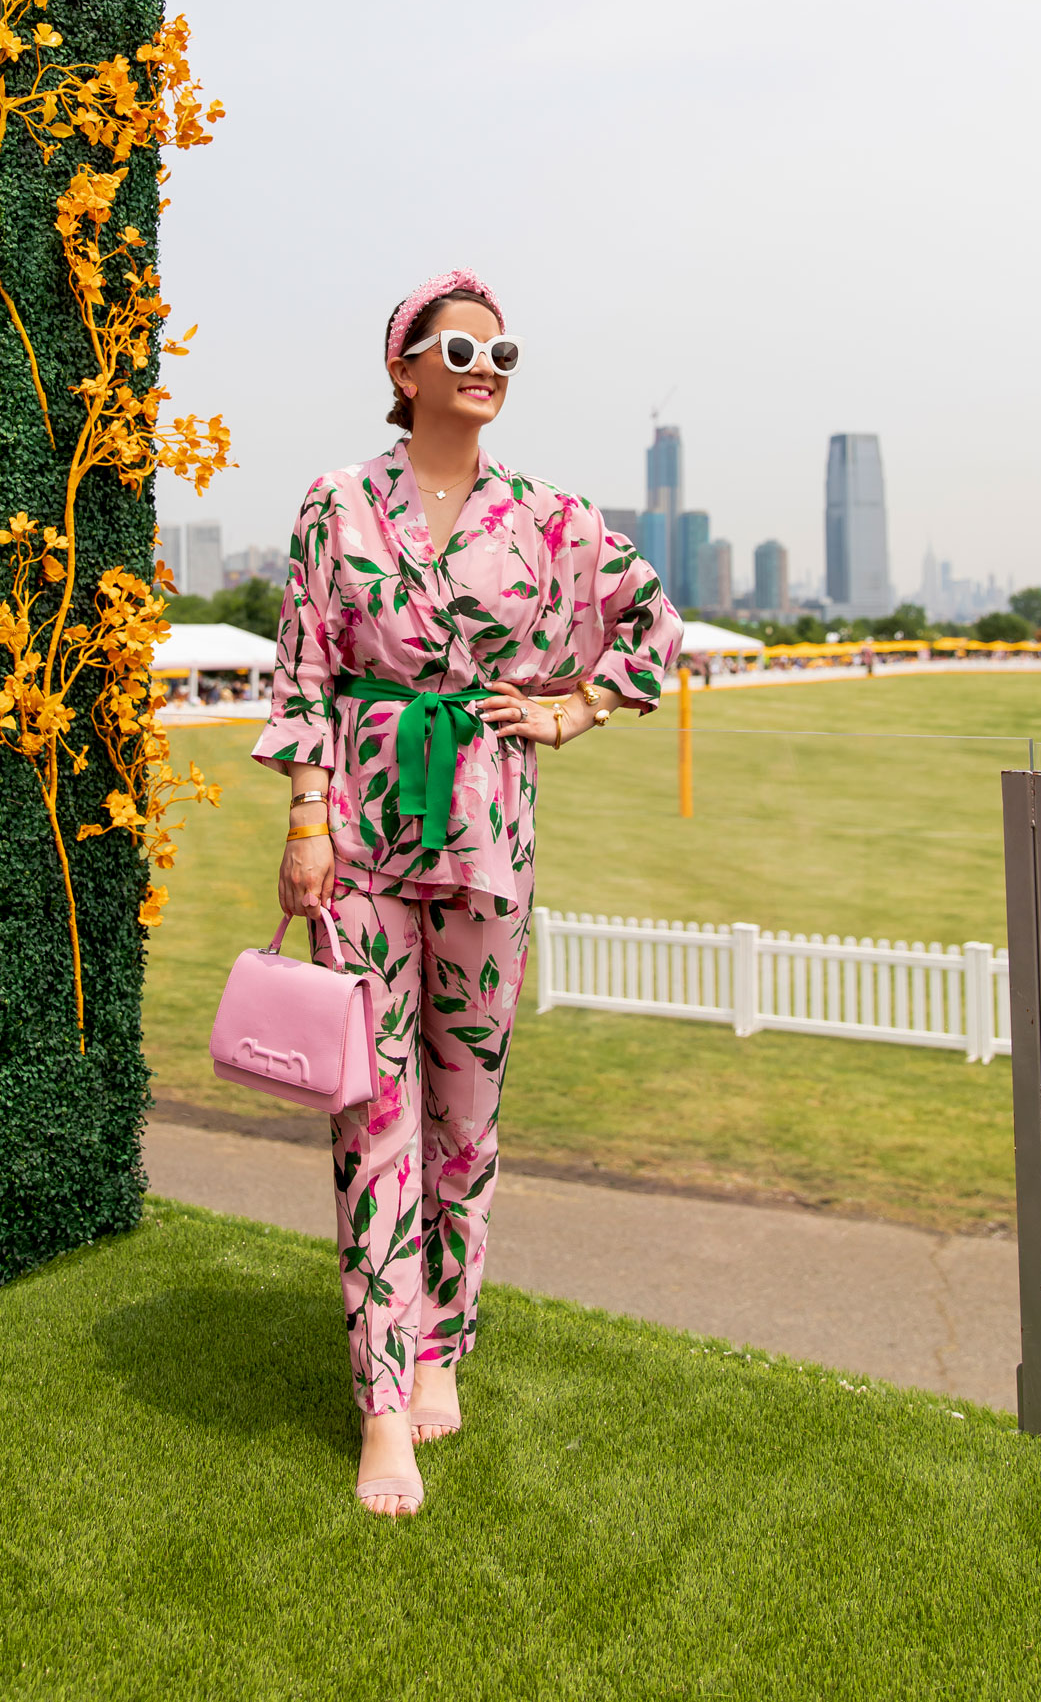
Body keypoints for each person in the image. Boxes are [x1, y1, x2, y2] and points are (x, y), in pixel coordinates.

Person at [251, 268, 681, 1516]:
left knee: (464, 1105)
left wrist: (571, 708)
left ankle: (443, 1333)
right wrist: (302, 821)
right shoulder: (336, 504)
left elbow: (649, 624)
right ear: (404, 369)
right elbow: (305, 673)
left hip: (487, 826)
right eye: (458, 348)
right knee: (367, 1105)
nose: (484, 368)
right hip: (363, 827)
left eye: (503, 354)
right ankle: (382, 1398)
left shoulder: (552, 518)